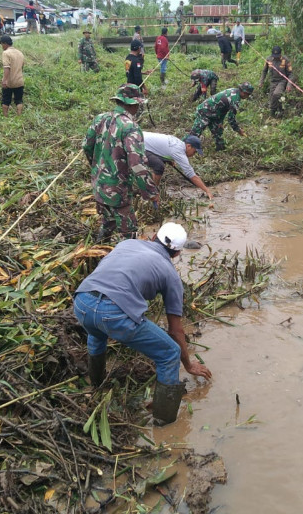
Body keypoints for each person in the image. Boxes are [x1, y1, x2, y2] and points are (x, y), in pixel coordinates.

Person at [74, 222, 212, 425]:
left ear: (154, 236)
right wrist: (188, 364)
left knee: (96, 335)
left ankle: (96, 385)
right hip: (114, 313)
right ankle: (164, 421)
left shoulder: (127, 243)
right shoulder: (170, 274)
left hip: (82, 301)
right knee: (170, 353)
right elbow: (176, 330)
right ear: (176, 254)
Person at [83, 83, 159, 241]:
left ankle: (98, 252)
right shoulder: (130, 127)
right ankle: (126, 260)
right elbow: (137, 164)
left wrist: (97, 167)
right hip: (119, 190)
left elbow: (87, 146)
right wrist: (151, 192)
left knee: (107, 223)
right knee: (129, 233)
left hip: (99, 185)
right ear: (134, 104)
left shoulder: (100, 119)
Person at [144, 133, 213, 200]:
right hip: (137, 144)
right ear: (189, 146)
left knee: (159, 162)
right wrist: (207, 190)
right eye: (194, 152)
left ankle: (151, 189)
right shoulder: (179, 151)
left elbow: (163, 149)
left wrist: (168, 159)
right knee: (159, 166)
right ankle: (152, 192)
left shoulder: (177, 143)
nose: (193, 154)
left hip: (139, 138)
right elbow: (191, 175)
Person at [190, 83, 253, 151]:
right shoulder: (235, 100)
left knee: (218, 131)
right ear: (244, 93)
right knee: (196, 132)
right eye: (248, 94)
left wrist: (220, 122)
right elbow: (231, 119)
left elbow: (223, 108)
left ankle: (220, 149)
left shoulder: (234, 91)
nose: (247, 96)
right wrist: (238, 130)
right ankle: (184, 147)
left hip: (215, 113)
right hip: (205, 111)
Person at [259, 46, 294, 117]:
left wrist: (289, 85)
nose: (276, 57)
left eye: (277, 56)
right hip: (273, 81)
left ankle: (273, 112)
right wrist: (261, 81)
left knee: (276, 94)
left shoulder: (285, 60)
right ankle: (278, 112)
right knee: (272, 98)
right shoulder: (269, 59)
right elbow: (264, 71)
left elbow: (291, 74)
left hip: (282, 81)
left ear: (280, 54)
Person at [0, 35, 25, 116]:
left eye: (2, 44)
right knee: (19, 100)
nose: (1, 46)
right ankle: (19, 116)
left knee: (5, 100)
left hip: (10, 81)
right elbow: (22, 67)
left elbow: (7, 68)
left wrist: (5, 80)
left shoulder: (6, 53)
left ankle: (5, 117)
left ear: (5, 44)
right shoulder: (20, 53)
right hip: (20, 80)